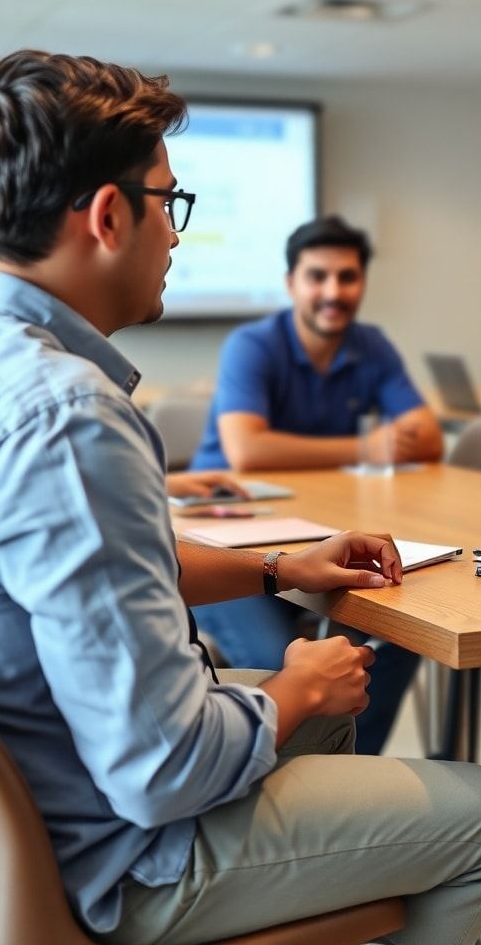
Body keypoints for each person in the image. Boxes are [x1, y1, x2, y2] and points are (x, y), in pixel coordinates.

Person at [0, 49, 481, 945]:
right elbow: (161, 768)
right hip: (111, 848)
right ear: (106, 215)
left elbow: (110, 567)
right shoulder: (71, 414)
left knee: (331, 712)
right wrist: (288, 690)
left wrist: (278, 566)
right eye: (170, 203)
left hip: (51, 778)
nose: (176, 234)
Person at [190, 214, 444, 753]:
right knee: (288, 654)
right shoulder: (253, 344)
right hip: (224, 540)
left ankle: (352, 766)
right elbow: (247, 449)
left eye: (347, 277)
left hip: (320, 532)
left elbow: (427, 437)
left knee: (407, 631)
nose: (334, 291)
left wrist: (387, 443)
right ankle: (302, 782)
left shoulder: (370, 345)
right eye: (318, 276)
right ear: (291, 284)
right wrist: (367, 447)